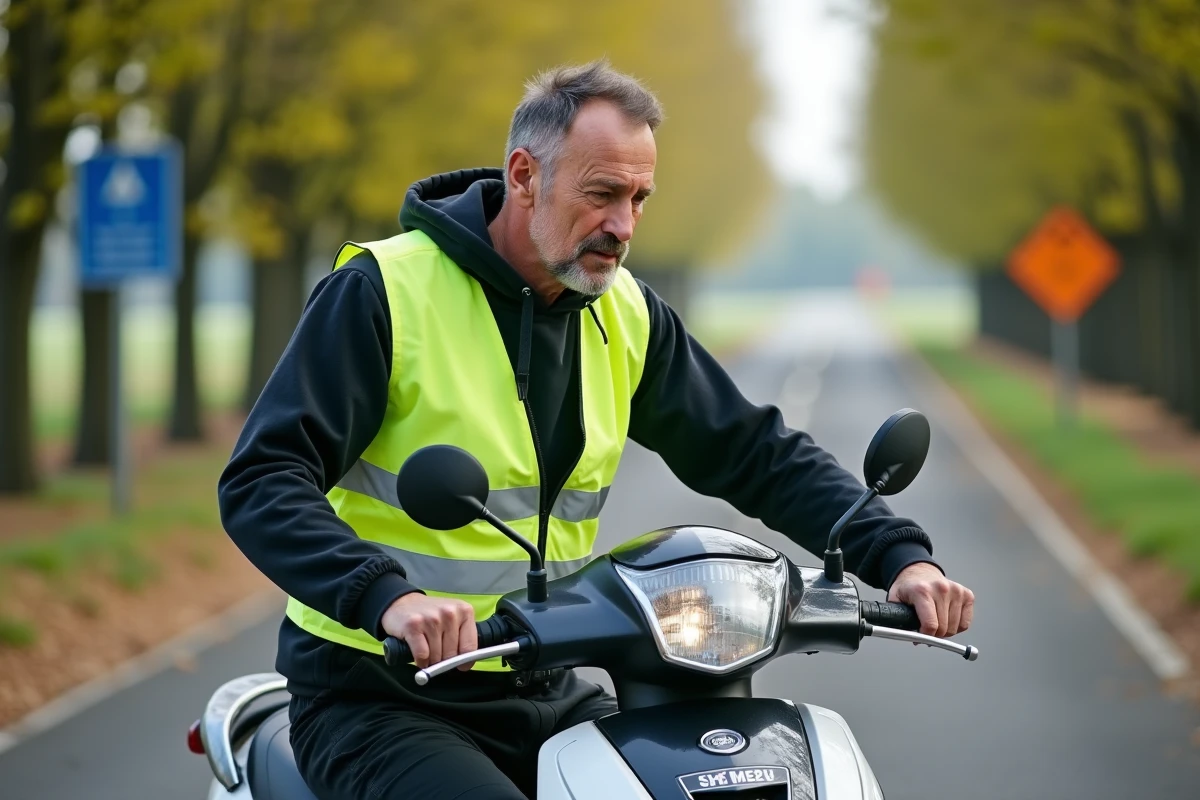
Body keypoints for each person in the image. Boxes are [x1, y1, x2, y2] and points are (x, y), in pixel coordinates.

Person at [218, 60, 975, 800]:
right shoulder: (382, 293)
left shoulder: (626, 311)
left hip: (548, 685)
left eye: (641, 198)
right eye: (603, 193)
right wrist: (386, 597)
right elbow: (262, 478)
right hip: (381, 698)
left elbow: (753, 450)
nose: (623, 225)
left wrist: (896, 553)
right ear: (523, 176)